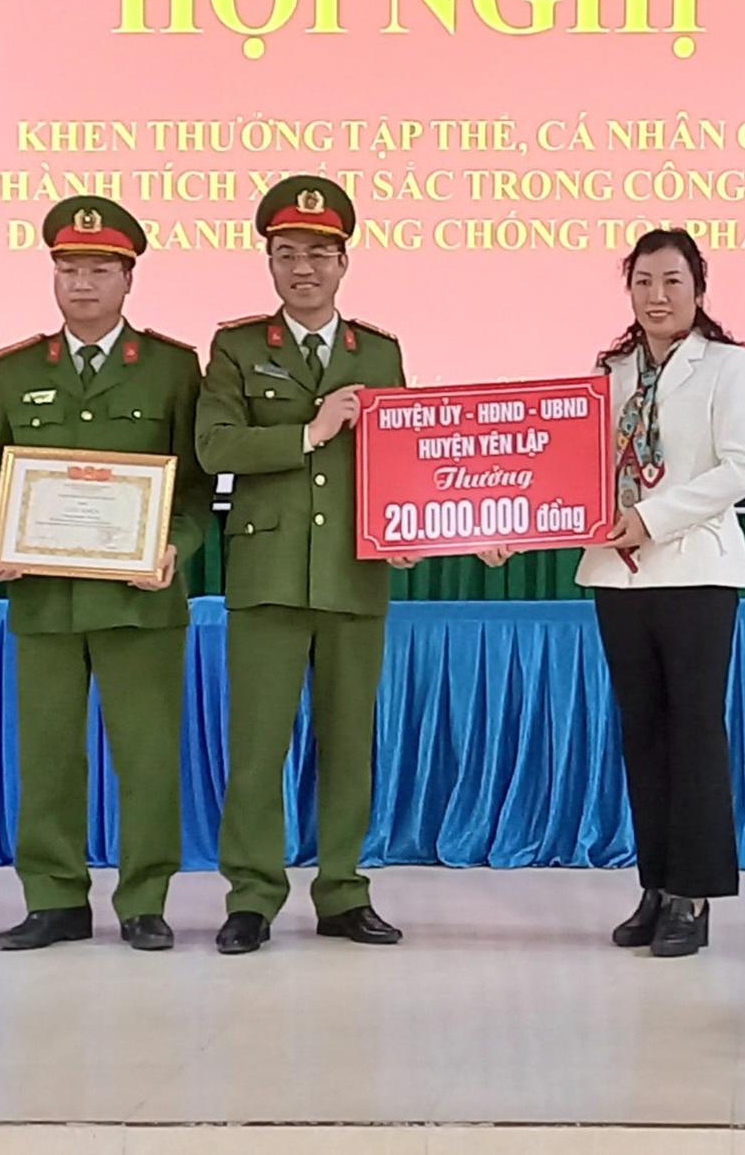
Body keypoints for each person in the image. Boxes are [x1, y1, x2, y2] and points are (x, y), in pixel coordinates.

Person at [481, 228, 745, 957]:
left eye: (672, 281)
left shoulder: (728, 366)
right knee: (643, 733)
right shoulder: (608, 373)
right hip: (619, 574)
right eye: (643, 282)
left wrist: (652, 518)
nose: (657, 296)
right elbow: (567, 470)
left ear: (698, 288)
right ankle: (656, 884)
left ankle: (693, 895)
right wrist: (512, 522)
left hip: (697, 572)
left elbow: (742, 468)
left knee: (694, 733)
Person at [0, 196, 212, 952]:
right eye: (68, 268)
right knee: (47, 757)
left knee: (146, 758)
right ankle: (54, 900)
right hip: (45, 598)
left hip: (140, 600)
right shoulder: (16, 368)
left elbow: (195, 488)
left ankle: (144, 901)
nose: (82, 283)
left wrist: (174, 547)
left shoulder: (172, 367)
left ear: (128, 278)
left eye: (100, 269)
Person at [196, 174, 416, 955]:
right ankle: (252, 896)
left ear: (343, 263)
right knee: (258, 747)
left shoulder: (378, 352)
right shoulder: (238, 347)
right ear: (269, 262)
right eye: (287, 253)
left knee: (349, 743)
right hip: (269, 573)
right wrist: (309, 432)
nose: (303, 269)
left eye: (319, 255)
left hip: (354, 571)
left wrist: (425, 524)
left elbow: (406, 458)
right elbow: (214, 446)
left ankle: (344, 890)